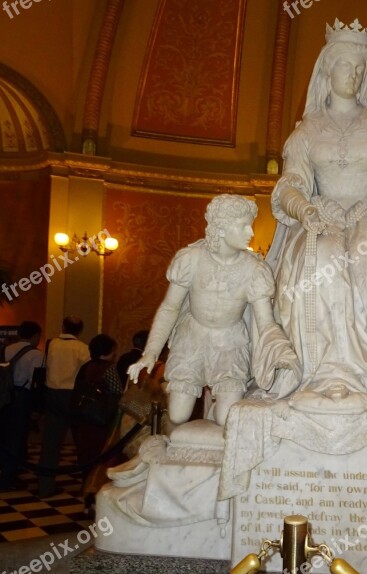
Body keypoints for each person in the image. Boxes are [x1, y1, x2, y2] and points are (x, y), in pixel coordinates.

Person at [267, 18, 367, 410]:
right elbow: (290, 184)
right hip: (319, 219)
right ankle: (326, 374)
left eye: (361, 67)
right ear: (327, 66)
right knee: (323, 261)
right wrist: (303, 207)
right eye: (345, 64)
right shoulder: (305, 132)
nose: (354, 74)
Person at [128, 194, 299, 426]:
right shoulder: (191, 259)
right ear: (221, 229)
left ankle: (217, 409)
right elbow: (170, 307)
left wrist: (280, 350)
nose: (251, 233)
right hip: (192, 339)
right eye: (243, 226)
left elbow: (265, 322)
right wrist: (151, 352)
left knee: (226, 418)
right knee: (178, 414)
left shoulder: (255, 269)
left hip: (230, 343)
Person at [38, 315, 90, 498]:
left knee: (50, 442)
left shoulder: (52, 344)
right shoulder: (83, 348)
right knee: (82, 441)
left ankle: (45, 485)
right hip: (72, 395)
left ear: (63, 326)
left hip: (52, 393)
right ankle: (87, 484)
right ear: (80, 330)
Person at [71, 333, 123, 502]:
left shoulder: (85, 367)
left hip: (83, 418)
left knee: (85, 455)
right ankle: (97, 495)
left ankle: (87, 491)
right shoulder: (109, 368)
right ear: (109, 350)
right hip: (103, 419)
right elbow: (117, 394)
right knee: (101, 458)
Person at [0, 321, 43, 490]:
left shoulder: (6, 349)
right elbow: (36, 382)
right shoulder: (36, 355)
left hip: (4, 396)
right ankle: (9, 478)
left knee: (4, 435)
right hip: (22, 397)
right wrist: (37, 408)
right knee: (17, 437)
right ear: (35, 336)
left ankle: (5, 471)